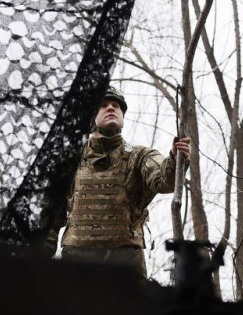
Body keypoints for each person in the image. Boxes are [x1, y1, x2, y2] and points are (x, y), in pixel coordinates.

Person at [46, 86, 192, 277]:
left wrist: (175, 159)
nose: (111, 108)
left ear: (123, 116)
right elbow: (49, 218)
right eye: (103, 105)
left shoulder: (139, 156)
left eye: (116, 105)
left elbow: (164, 180)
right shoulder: (70, 161)